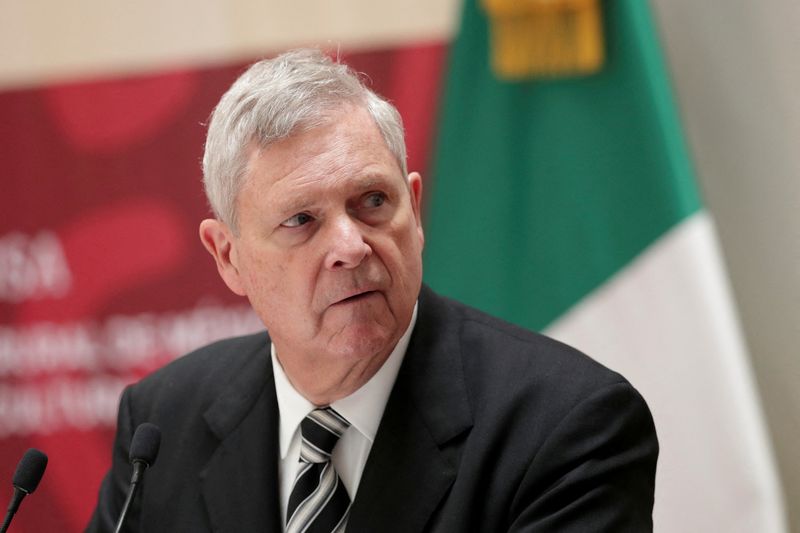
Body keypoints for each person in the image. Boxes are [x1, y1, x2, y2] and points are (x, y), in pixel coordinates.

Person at [87, 48, 658, 532]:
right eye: (301, 221)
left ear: (415, 205)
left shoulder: (567, 426)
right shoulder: (161, 425)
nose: (351, 247)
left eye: (373, 202)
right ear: (228, 256)